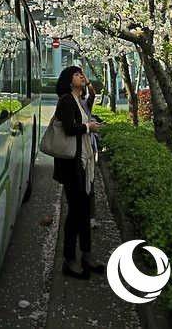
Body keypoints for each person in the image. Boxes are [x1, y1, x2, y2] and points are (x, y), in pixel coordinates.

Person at [53, 66, 104, 279]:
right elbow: (68, 129)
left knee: (83, 211)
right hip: (71, 164)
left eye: (81, 74)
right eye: (76, 74)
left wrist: (88, 125)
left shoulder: (78, 101)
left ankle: (87, 254)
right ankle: (69, 259)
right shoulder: (66, 100)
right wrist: (88, 127)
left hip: (82, 162)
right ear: (67, 80)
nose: (81, 76)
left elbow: (81, 119)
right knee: (75, 212)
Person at [80, 77, 99, 228]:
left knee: (90, 184)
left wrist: (87, 82)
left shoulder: (86, 104)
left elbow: (93, 95)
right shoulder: (69, 103)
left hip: (89, 148)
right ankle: (81, 216)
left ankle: (91, 217)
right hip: (77, 149)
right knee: (79, 185)